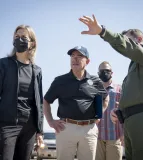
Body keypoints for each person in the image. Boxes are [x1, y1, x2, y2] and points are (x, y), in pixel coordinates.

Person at [79, 15, 143, 160]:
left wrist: (102, 31)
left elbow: (128, 47)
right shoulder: (131, 73)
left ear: (139, 40)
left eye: (127, 40)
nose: (123, 47)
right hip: (131, 127)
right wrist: (119, 111)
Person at [43, 46, 109, 160]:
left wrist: (99, 114)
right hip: (66, 128)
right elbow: (46, 101)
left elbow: (105, 98)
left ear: (87, 61)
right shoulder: (60, 81)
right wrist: (50, 121)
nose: (75, 59)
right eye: (72, 56)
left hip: (89, 129)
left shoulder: (95, 81)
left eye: (79, 56)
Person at [0, 25, 44, 160]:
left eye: (24, 37)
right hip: (7, 125)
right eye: (16, 37)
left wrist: (39, 131)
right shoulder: (4, 64)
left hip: (29, 128)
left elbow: (39, 102)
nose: (19, 40)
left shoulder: (36, 70)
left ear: (32, 43)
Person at [96, 61, 123, 160]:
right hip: (97, 138)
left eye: (107, 70)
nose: (105, 73)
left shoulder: (120, 89)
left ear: (112, 73)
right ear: (98, 73)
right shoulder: (94, 90)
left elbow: (125, 112)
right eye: (102, 71)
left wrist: (124, 133)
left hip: (115, 137)